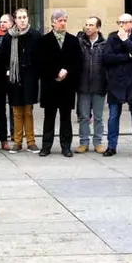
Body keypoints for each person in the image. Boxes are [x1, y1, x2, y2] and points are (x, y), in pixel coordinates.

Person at [35, 10, 82, 157]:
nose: (63, 23)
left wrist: (67, 71)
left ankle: (66, 146)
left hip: (67, 85)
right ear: (53, 22)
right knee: (49, 117)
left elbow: (78, 61)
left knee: (66, 117)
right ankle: (46, 146)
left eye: (65, 20)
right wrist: (56, 72)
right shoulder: (44, 40)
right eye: (60, 21)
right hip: (50, 84)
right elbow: (40, 62)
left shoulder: (73, 40)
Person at [103, 13, 132, 158]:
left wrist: (125, 40)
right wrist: (127, 56)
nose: (122, 25)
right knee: (113, 116)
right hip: (116, 82)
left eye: (125, 22)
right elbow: (107, 57)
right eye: (120, 22)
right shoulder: (112, 37)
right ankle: (111, 146)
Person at [1, 8, 42, 154]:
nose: (22, 20)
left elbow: (40, 57)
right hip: (14, 78)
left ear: (28, 19)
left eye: (24, 17)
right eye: (19, 18)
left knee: (28, 111)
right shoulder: (8, 37)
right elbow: (4, 57)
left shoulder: (35, 35)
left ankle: (31, 142)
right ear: (15, 20)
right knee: (17, 111)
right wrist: (8, 70)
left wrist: (35, 73)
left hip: (30, 77)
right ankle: (17, 142)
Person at [76, 16, 108, 154]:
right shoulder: (80, 43)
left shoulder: (105, 44)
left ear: (98, 28)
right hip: (83, 85)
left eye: (91, 25)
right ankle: (83, 142)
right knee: (84, 116)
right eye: (86, 24)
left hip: (99, 85)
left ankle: (98, 142)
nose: (87, 27)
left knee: (98, 117)